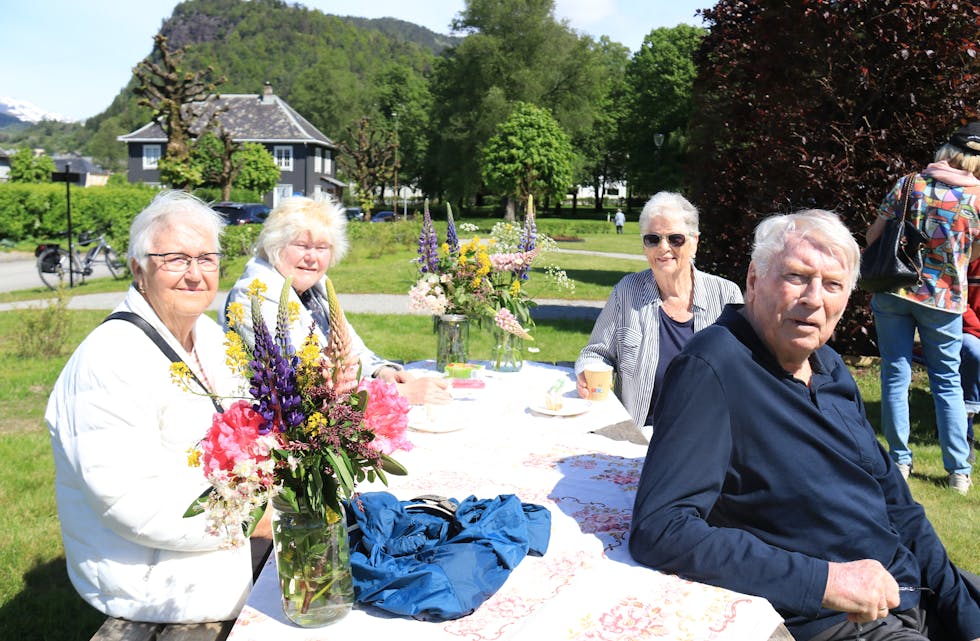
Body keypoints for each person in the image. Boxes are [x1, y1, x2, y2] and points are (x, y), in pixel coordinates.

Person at [629, 209, 980, 641]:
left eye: (832, 285)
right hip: (837, 621)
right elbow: (662, 527)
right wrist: (826, 583)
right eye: (797, 276)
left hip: (910, 588)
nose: (814, 298)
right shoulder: (713, 368)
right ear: (754, 281)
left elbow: (899, 505)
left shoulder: (828, 366)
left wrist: (963, 613)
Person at [46, 191, 261, 623]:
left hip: (209, 528)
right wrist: (252, 519)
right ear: (138, 269)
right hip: (142, 566)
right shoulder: (109, 360)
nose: (195, 275)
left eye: (207, 258)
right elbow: (128, 503)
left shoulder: (209, 336)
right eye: (176, 259)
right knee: (307, 593)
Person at [225, 195, 449, 405]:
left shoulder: (316, 288)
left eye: (322, 248)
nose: (312, 257)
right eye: (302, 246)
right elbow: (299, 383)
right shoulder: (253, 295)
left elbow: (351, 348)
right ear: (275, 246)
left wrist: (383, 372)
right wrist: (399, 395)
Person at [868, 121, 980, 494]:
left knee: (895, 376)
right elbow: (973, 254)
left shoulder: (909, 184)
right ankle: (958, 472)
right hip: (945, 299)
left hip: (894, 291)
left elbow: (873, 236)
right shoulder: (978, 198)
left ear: (948, 151)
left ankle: (899, 461)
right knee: (947, 383)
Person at [575, 192, 742, 436]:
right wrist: (587, 371)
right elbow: (596, 353)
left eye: (675, 239)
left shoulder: (726, 295)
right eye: (653, 239)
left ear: (694, 242)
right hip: (639, 437)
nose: (664, 248)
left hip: (707, 438)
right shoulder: (627, 292)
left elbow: (745, 372)